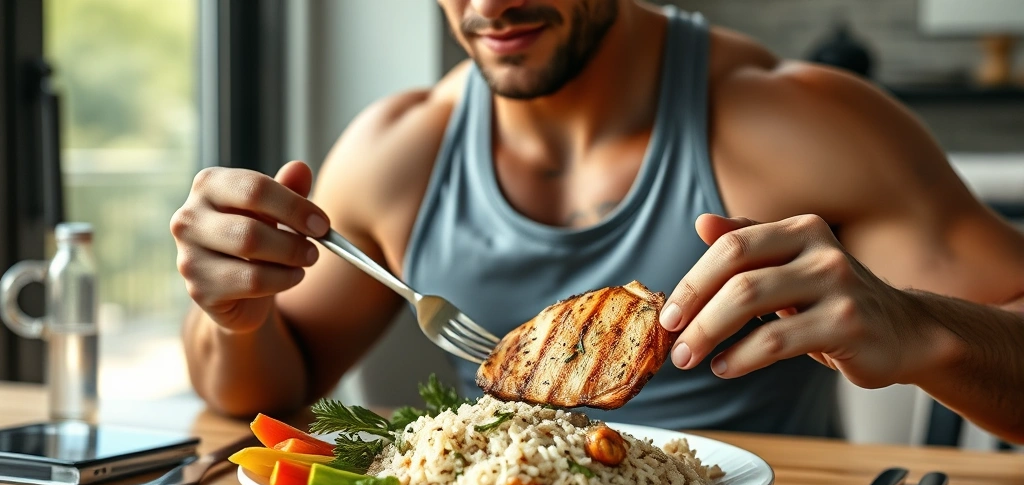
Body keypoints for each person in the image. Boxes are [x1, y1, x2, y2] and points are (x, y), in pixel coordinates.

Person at [170, 0, 1024, 442]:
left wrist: (923, 327)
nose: (491, 4)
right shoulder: (398, 149)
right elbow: (262, 396)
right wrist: (233, 320)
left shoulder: (795, 124)